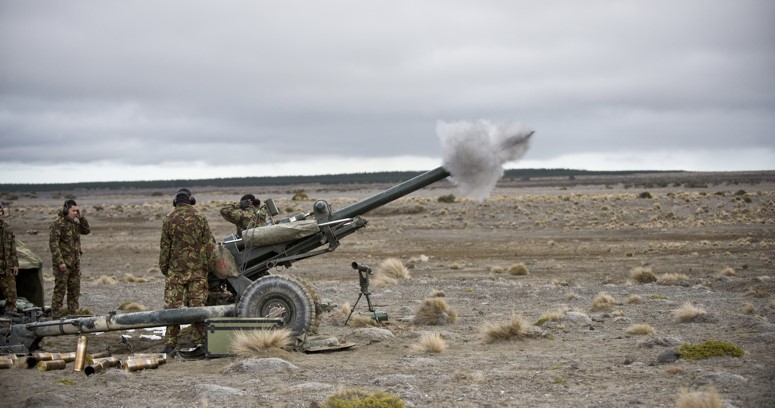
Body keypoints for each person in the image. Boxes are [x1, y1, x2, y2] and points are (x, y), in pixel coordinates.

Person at [159, 188, 215, 354]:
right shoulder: (200, 217)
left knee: (172, 308)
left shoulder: (169, 219)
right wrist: (207, 267)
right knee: (197, 307)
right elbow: (209, 245)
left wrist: (165, 269)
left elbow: (164, 248)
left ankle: (170, 343)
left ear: (176, 201)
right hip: (198, 272)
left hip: (175, 272)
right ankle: (199, 342)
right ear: (191, 200)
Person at [49, 199, 91, 318]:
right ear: (66, 210)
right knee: (60, 290)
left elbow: (86, 231)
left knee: (74, 290)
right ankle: (56, 314)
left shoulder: (75, 224)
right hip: (63, 264)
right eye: (73, 211)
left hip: (75, 264)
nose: (75, 213)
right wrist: (60, 262)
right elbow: (54, 244)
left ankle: (73, 313)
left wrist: (81, 218)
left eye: (77, 211)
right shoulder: (58, 224)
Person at [0, 204, 19, 315]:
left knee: (11, 291)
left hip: (7, 267)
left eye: (0, 211)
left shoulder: (7, 228)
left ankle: (11, 312)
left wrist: (15, 264)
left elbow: (13, 247)